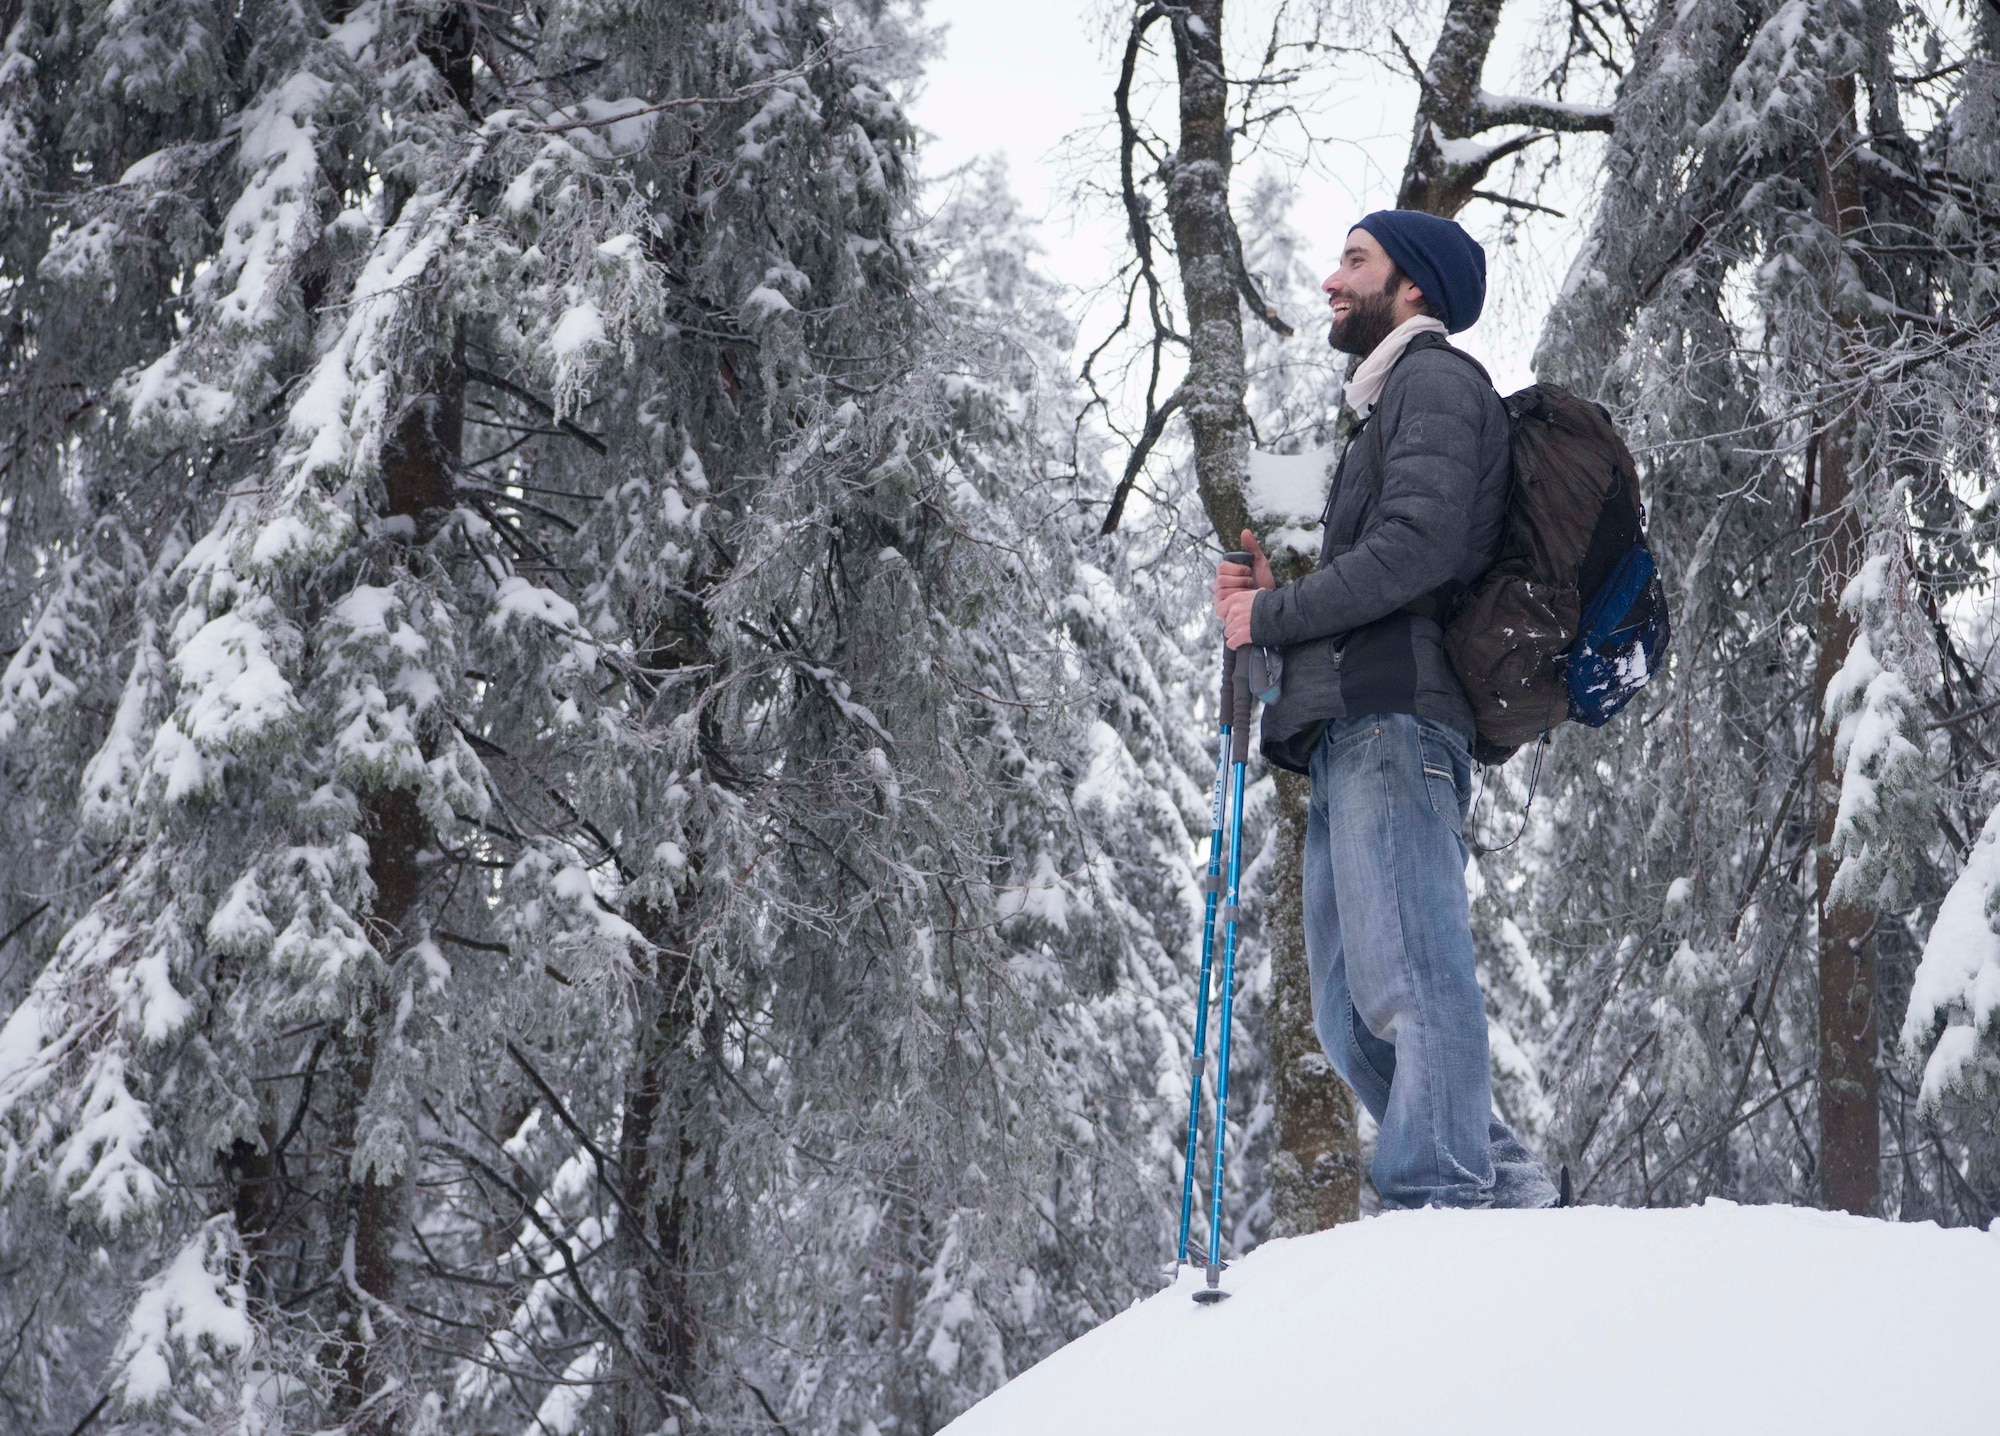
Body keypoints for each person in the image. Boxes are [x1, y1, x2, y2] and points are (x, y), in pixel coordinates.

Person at [1213, 211, 1559, 1210]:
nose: (1329, 279)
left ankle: (1439, 1199)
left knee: (1411, 977)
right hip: (1348, 729)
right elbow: (1389, 560)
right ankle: (1510, 1191)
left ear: (1412, 288)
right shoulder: (1388, 404)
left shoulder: (1436, 383)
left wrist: (1267, 611)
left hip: (1394, 718)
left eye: (1353, 260)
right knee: (1348, 1020)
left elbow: (1411, 551)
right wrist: (1266, 616)